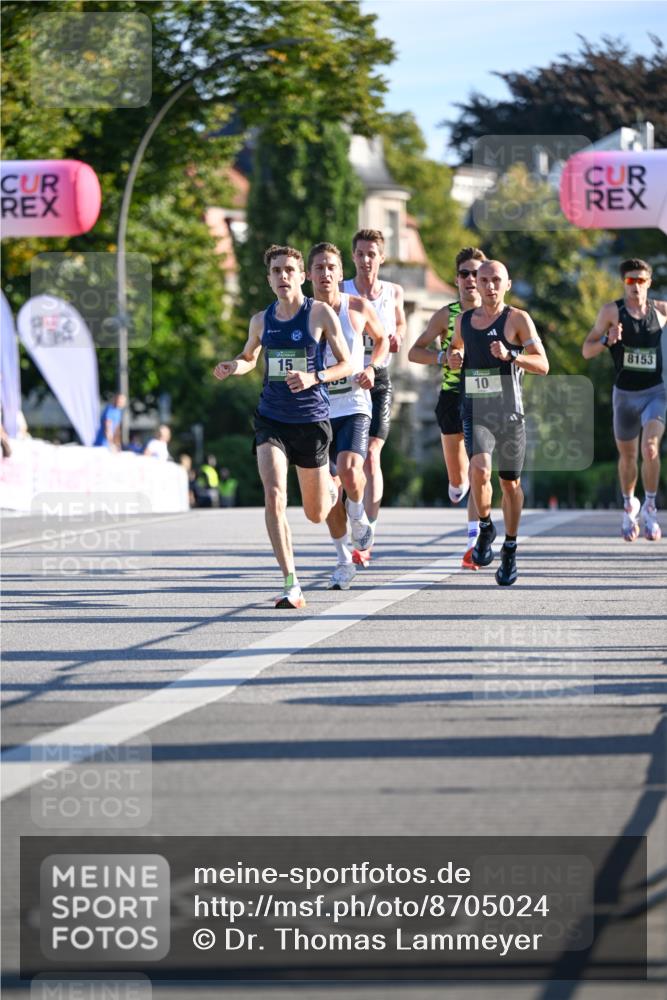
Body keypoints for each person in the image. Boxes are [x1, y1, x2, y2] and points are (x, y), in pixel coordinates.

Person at [213, 244, 352, 610]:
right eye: (276, 271)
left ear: (302, 276)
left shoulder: (319, 313)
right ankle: (291, 583)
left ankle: (333, 488)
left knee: (315, 514)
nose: (283, 276)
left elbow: (347, 364)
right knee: (274, 495)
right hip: (271, 419)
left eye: (289, 270)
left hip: (311, 420)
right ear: (269, 278)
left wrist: (314, 377)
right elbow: (249, 357)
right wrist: (233, 366)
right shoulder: (261, 320)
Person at [448, 260, 549, 586]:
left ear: (507, 284)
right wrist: (453, 357)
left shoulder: (517, 319)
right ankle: (485, 525)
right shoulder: (464, 320)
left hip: (509, 414)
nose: (489, 286)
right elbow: (455, 350)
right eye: (484, 280)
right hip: (475, 410)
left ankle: (510, 547)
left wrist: (511, 355)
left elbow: (543, 364)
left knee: (510, 485)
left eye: (496, 280)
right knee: (478, 470)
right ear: (476, 283)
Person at [307, 241, 389, 589]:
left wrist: (372, 367)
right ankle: (343, 560)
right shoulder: (303, 313)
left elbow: (382, 339)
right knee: (327, 491)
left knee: (351, 469)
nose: (325, 273)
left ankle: (357, 512)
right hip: (315, 409)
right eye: (319, 268)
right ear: (308, 275)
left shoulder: (357, 307)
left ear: (341, 273)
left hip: (354, 402)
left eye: (331, 267)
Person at [408, 247, 486, 569]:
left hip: (485, 398)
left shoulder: (498, 315)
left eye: (477, 274)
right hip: (452, 396)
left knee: (479, 469)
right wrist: (442, 357)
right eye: (465, 274)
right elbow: (414, 352)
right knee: (459, 480)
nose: (471, 279)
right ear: (457, 279)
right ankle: (457, 484)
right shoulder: (445, 315)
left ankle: (473, 543)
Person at [582, 258, 666, 541]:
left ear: (649, 283)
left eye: (641, 280)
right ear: (624, 283)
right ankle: (630, 506)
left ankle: (650, 508)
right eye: (631, 280)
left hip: (655, 393)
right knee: (628, 456)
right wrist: (606, 340)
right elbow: (586, 350)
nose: (636, 286)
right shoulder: (611, 312)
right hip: (625, 396)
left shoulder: (661, 310)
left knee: (650, 449)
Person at [341, 228, 406, 565]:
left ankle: (368, 533)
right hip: (347, 380)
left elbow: (401, 325)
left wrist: (396, 338)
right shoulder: (342, 290)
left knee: (371, 454)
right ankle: (351, 518)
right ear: (353, 257)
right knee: (344, 462)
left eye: (372, 254)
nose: (366, 260)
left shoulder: (393, 292)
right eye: (360, 254)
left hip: (378, 378)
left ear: (382, 257)